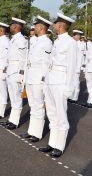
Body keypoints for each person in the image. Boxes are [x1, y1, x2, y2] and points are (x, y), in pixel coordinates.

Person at [39, 13, 77, 158]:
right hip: (51, 79)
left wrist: (69, 87)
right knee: (52, 113)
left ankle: (59, 146)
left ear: (60, 25)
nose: (53, 26)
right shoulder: (57, 41)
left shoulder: (70, 42)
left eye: (55, 23)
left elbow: (72, 67)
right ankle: (52, 143)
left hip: (61, 81)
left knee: (61, 114)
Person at [19, 15, 53, 142]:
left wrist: (44, 80)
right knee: (33, 105)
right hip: (31, 77)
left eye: (36, 26)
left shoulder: (47, 42)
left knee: (38, 106)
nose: (34, 28)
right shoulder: (36, 40)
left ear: (41, 27)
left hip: (38, 78)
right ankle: (31, 131)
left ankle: (37, 133)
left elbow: (46, 64)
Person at [0, 17, 28, 130]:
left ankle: (15, 122)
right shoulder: (13, 39)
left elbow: (23, 59)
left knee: (16, 98)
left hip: (16, 71)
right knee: (12, 96)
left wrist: (21, 75)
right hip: (11, 70)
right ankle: (11, 119)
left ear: (16, 26)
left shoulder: (21, 40)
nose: (9, 27)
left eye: (11, 25)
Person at [68, 30, 85, 103]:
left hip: (76, 67)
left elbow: (80, 57)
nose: (77, 36)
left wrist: (78, 68)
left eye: (78, 35)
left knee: (76, 82)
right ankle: (71, 96)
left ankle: (75, 97)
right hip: (71, 66)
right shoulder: (72, 43)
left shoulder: (80, 44)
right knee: (71, 82)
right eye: (75, 35)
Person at [85, 37, 92, 107]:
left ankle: (90, 101)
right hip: (89, 68)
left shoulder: (90, 47)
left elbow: (89, 58)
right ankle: (89, 101)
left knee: (90, 86)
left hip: (90, 69)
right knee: (89, 86)